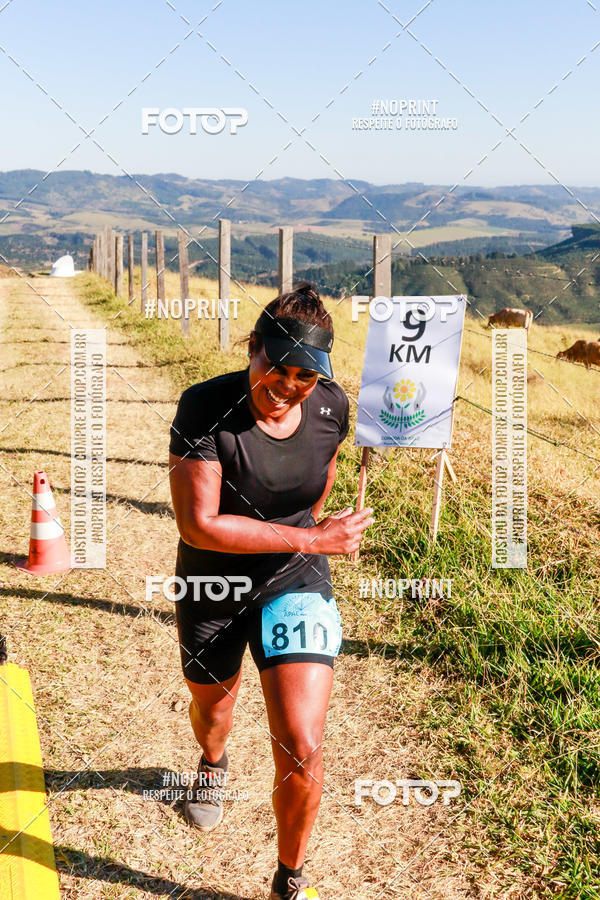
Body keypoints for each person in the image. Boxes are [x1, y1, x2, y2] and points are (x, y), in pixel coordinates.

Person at [169, 282, 373, 900]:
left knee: (303, 745)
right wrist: (314, 540)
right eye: (275, 368)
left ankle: (290, 877)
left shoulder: (332, 406)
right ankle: (211, 763)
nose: (287, 386)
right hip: (213, 579)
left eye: (304, 377)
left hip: (296, 580)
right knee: (215, 710)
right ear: (251, 348)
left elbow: (318, 483)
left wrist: (311, 538)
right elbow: (198, 523)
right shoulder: (205, 408)